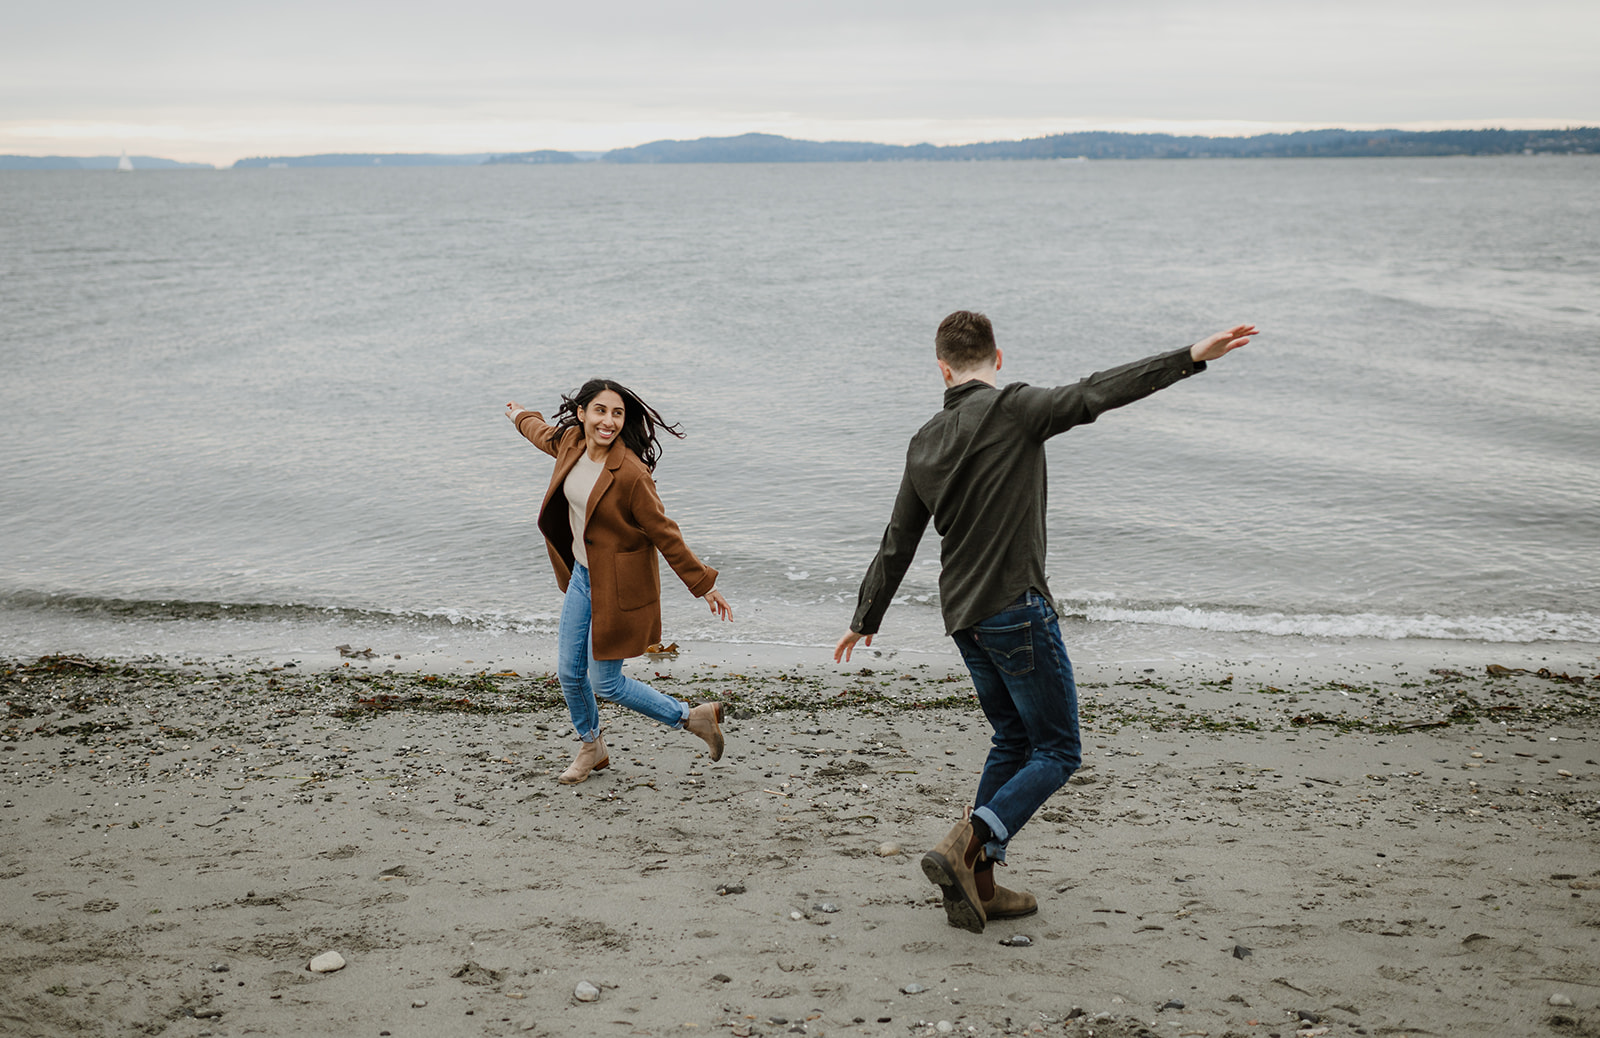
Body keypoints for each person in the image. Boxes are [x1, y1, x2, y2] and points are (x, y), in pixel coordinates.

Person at [834, 311, 1256, 932]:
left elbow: (899, 539)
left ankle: (980, 885)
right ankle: (968, 839)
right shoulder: (1016, 408)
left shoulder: (923, 440)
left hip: (964, 618)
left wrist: (865, 615)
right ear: (998, 360)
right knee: (1058, 749)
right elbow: (1096, 392)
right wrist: (1192, 355)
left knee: (1012, 739)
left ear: (942, 369)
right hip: (1016, 608)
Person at [505, 380, 733, 784]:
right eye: (600, 410)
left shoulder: (630, 473)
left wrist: (703, 584)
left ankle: (691, 717)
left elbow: (665, 532)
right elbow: (542, 435)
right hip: (581, 575)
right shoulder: (572, 443)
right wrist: (519, 416)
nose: (608, 421)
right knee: (569, 673)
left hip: (619, 587)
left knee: (605, 682)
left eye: (617, 413)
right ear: (582, 414)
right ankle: (591, 746)